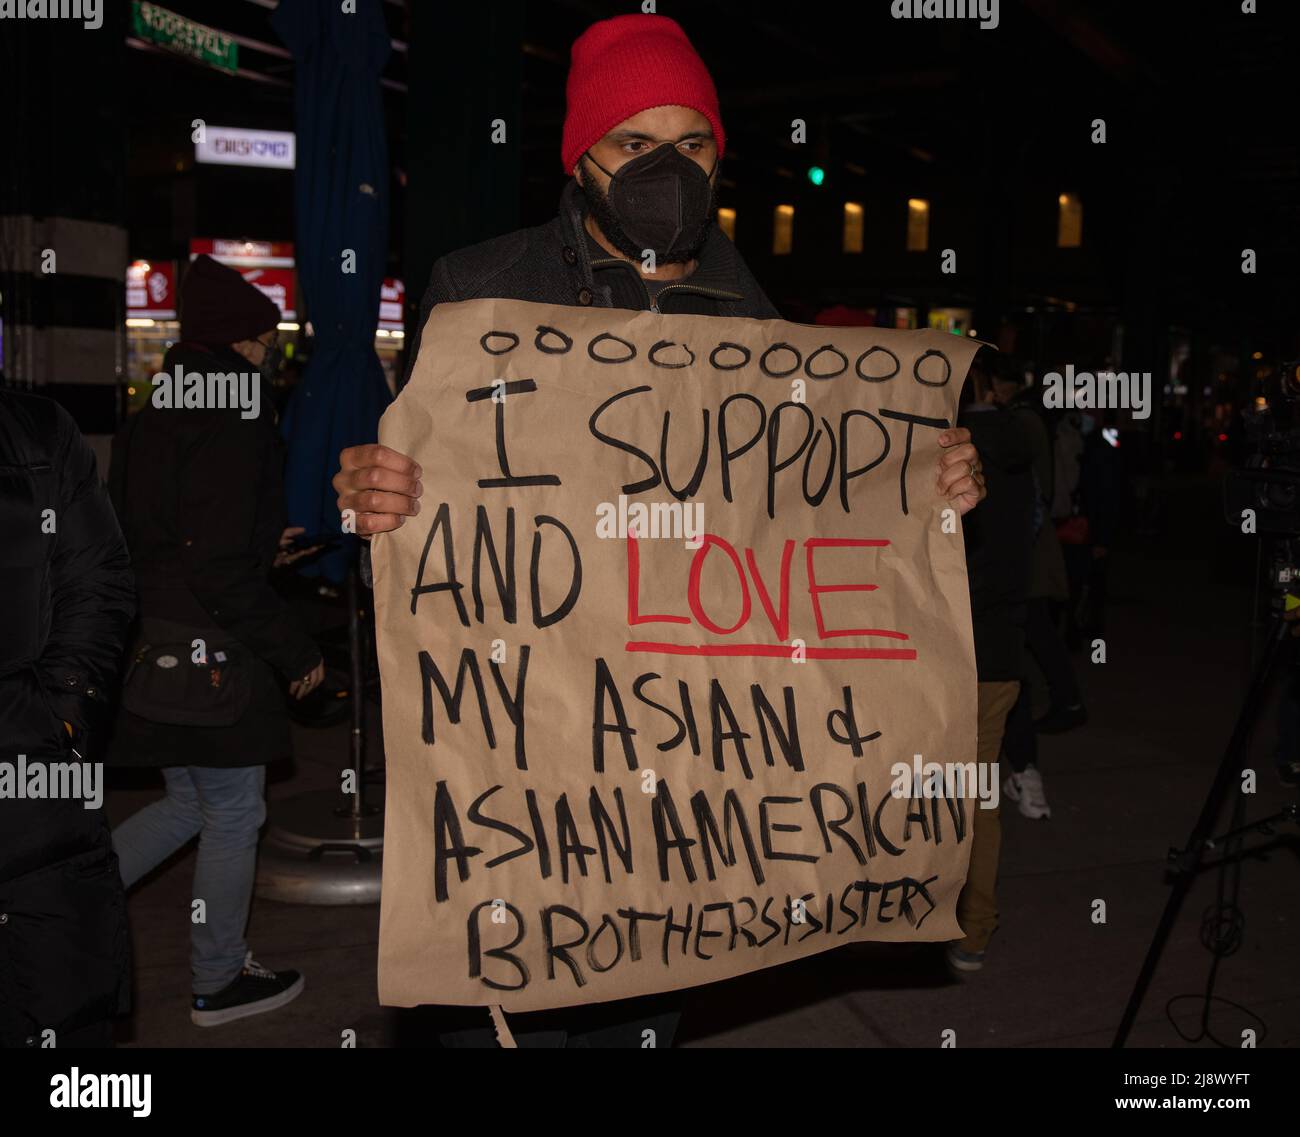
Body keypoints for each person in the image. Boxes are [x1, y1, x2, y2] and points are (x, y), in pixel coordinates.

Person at [334, 13, 987, 1046]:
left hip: (675, 779)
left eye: (692, 145)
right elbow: (427, 483)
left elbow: (802, 509)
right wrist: (370, 491)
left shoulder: (751, 314)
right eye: (635, 143)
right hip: (529, 746)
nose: (666, 169)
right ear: (580, 156)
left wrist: (926, 484)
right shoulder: (481, 289)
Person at [107, 255, 324, 1028]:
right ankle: (218, 978)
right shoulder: (236, 410)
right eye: (265, 340)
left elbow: (161, 536)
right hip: (215, 655)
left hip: (154, 645)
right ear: (238, 341)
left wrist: (260, 548)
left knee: (186, 802)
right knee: (234, 812)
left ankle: (56, 901)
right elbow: (216, 564)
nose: (271, 353)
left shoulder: (153, 409)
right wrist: (295, 650)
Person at [0, 389, 135, 1048]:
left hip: (32, 779)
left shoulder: (35, 430)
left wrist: (66, 715)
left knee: (60, 1008)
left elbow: (97, 576)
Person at [948, 350, 1036, 971]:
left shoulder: (945, 455)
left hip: (944, 651)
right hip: (997, 652)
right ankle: (972, 929)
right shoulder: (1023, 450)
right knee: (976, 796)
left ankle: (905, 912)